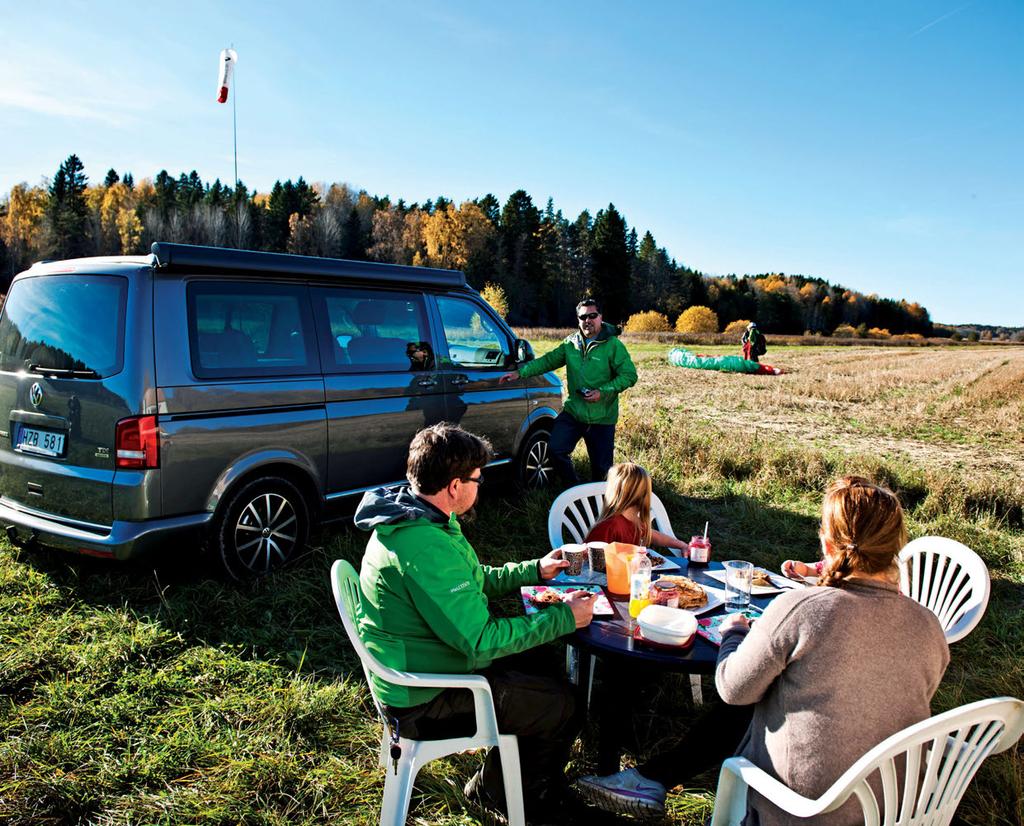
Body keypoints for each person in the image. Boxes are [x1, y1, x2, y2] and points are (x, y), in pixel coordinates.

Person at [577, 476, 949, 824]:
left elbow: (732, 688)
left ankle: (647, 777)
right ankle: (651, 778)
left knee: (749, 695)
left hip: (802, 808)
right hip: (896, 807)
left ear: (829, 545)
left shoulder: (802, 607)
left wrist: (735, 633)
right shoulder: (929, 626)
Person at [354, 423, 596, 823]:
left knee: (542, 665)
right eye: (476, 479)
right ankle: (517, 799)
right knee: (564, 705)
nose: (479, 485)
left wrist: (533, 570)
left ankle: (508, 779)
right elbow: (481, 642)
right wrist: (564, 617)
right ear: (453, 486)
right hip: (424, 698)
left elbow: (471, 577)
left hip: (425, 664)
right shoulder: (423, 546)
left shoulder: (419, 515)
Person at [500, 298, 637, 486]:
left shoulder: (613, 345)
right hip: (574, 412)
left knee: (602, 472)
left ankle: (600, 506)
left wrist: (602, 392)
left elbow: (629, 376)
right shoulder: (570, 343)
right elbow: (548, 361)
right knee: (555, 449)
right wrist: (520, 373)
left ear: (600, 317)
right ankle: (574, 488)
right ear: (578, 319)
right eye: (583, 317)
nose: (587, 320)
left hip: (602, 418)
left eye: (592, 315)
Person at [585, 463, 689, 555]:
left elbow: (653, 535)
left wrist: (682, 545)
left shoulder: (635, 523)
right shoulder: (609, 527)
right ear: (645, 495)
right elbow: (586, 558)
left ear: (613, 492)